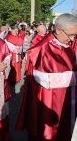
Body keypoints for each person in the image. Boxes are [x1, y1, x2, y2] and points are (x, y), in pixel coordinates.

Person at [15, 13, 77, 141]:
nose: (72, 39)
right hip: (49, 101)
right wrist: (74, 77)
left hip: (66, 97)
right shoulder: (42, 47)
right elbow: (42, 79)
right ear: (58, 30)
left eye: (74, 35)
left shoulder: (66, 44)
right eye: (70, 35)